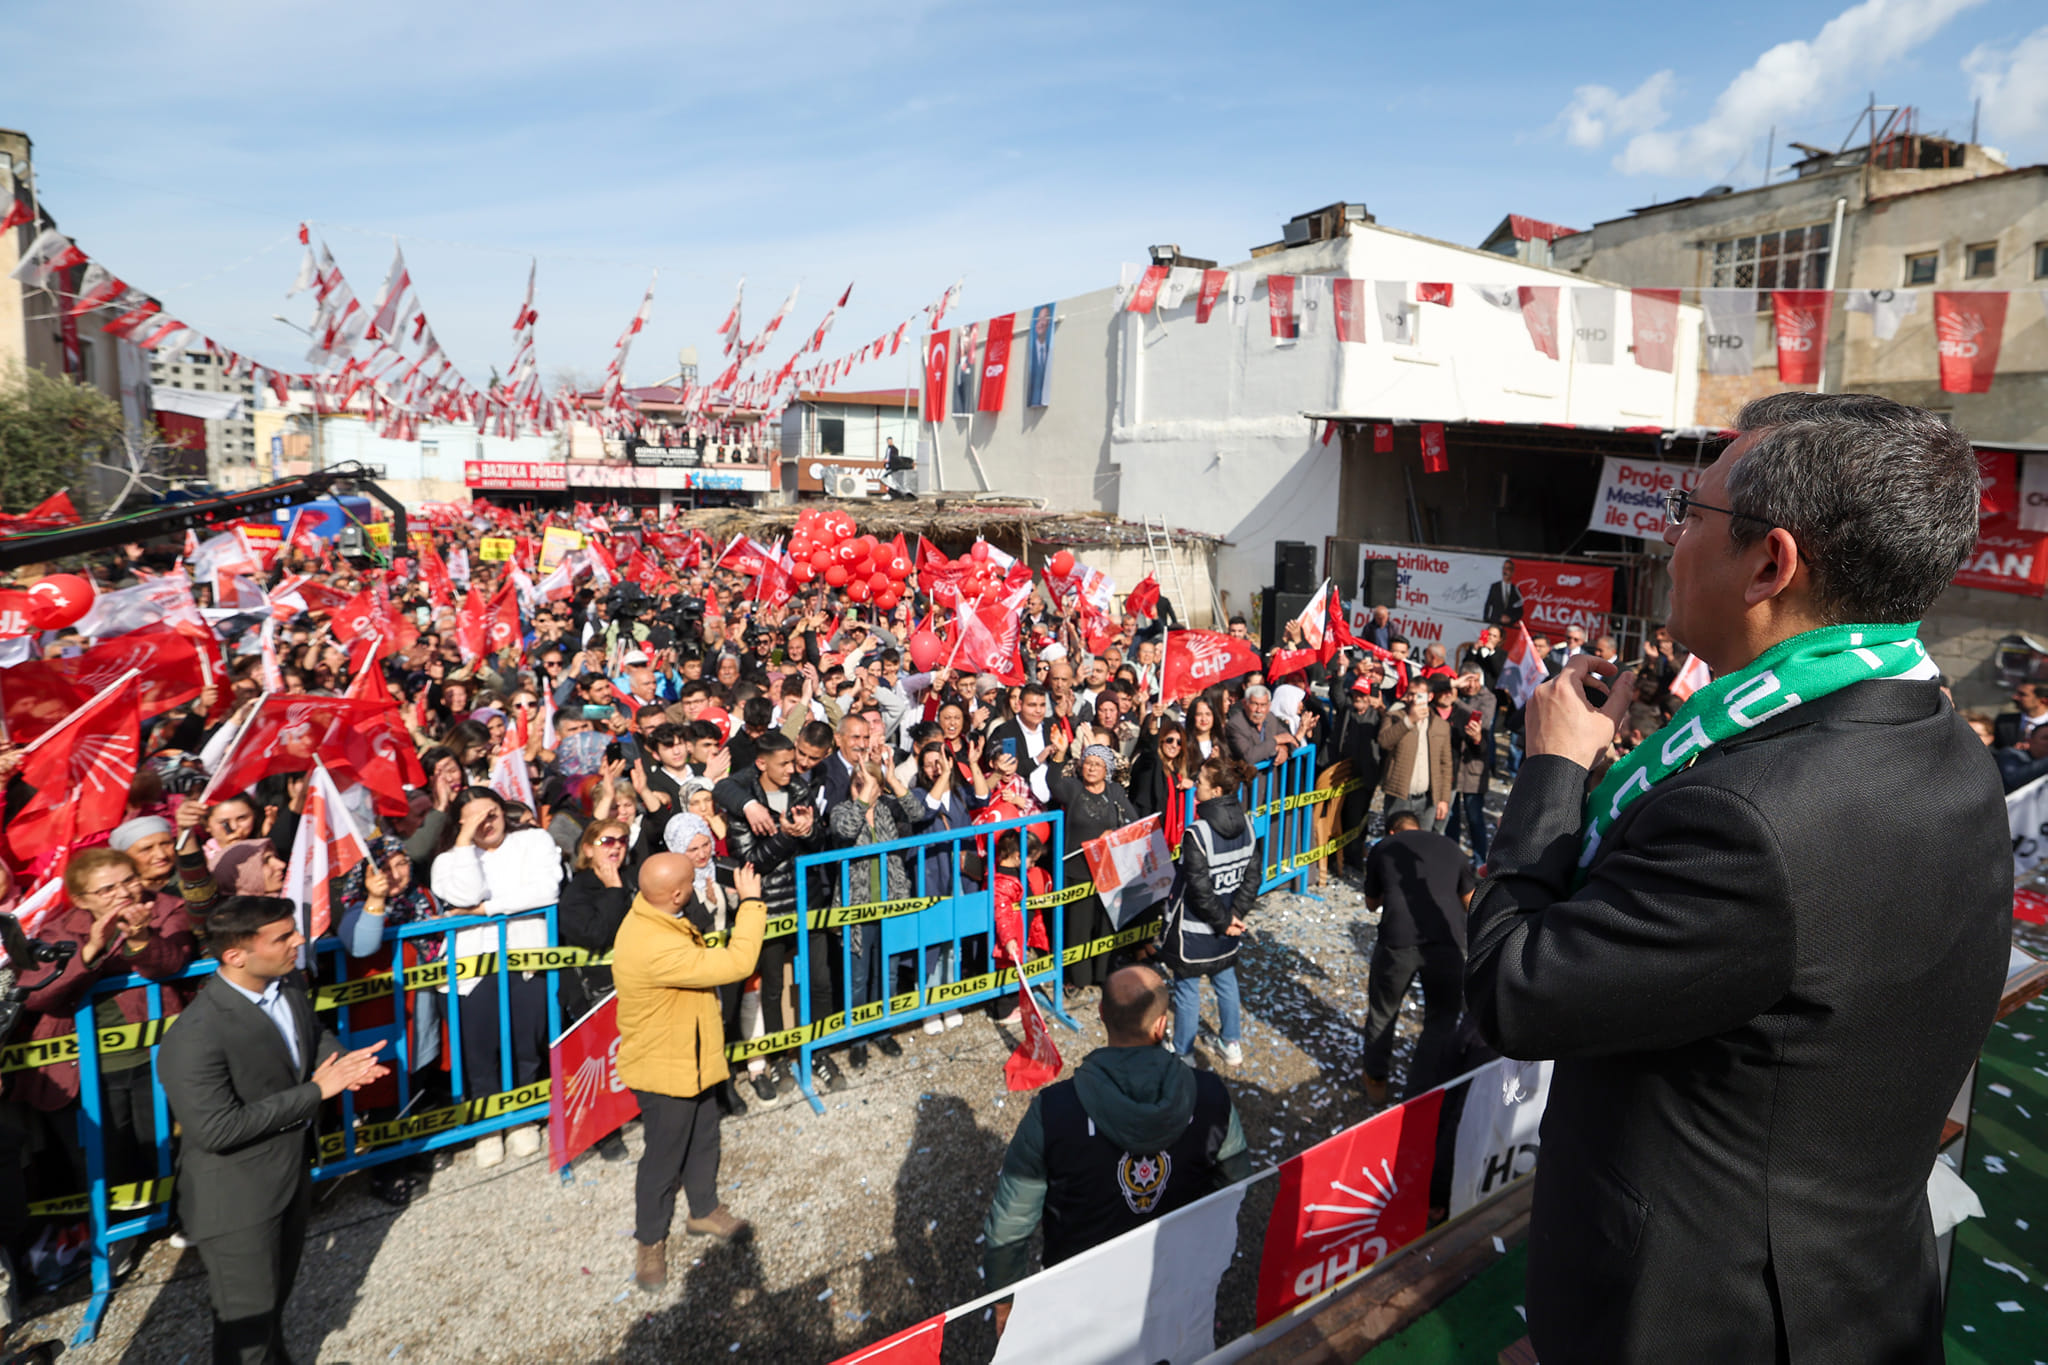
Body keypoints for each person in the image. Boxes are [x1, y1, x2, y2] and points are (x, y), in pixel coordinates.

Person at [1464, 393, 2010, 1361]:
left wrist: (1548, 771)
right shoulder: (1935, 734)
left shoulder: (1746, 825)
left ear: (1770, 562)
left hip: (1698, 1323)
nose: (1670, 541)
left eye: (1690, 513)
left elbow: (1511, 988)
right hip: (1857, 1292)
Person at [157, 895, 389, 1365]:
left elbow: (309, 1033)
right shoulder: (194, 1036)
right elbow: (217, 1129)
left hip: (289, 1175)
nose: (299, 941)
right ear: (235, 955)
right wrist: (317, 1092)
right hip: (238, 1200)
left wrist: (340, 1060)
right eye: (283, 937)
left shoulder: (290, 983)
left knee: (272, 1308)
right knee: (247, 1326)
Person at [981, 964, 1251, 1313]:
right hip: (1177, 1276)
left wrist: (1005, 1301)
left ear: (1101, 1013)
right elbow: (1238, 1183)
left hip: (1082, 1294)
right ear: (1161, 1026)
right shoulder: (1212, 1096)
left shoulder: (1053, 1111)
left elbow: (1009, 1228)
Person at [614, 852, 767, 1291]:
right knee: (662, 1161)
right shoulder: (654, 944)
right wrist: (753, 904)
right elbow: (737, 964)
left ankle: (703, 1210)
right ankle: (650, 1241)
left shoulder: (657, 914)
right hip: (666, 1069)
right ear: (677, 894)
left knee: (704, 1139)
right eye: (691, 878)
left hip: (694, 1057)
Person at [428, 786, 565, 1168]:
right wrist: (463, 842)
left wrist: (487, 908)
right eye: (474, 818)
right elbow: (463, 892)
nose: (485, 824)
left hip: (525, 957)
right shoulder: (447, 860)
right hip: (470, 967)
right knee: (478, 1047)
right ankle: (489, 1124)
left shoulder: (535, 840)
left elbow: (545, 892)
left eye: (491, 813)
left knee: (527, 1037)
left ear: (504, 812)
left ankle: (524, 1116)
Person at [1359, 810, 1474, 1103]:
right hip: (1448, 942)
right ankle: (1420, 1092)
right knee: (1442, 1018)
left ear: (1392, 832)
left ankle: (1376, 1084)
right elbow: (1469, 902)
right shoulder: (1451, 847)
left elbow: (1372, 904)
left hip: (1398, 940)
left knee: (1384, 1011)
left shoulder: (1383, 848)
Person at [1160, 756, 1259, 1066]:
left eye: (1200, 781)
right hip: (1227, 927)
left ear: (1216, 791)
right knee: (1226, 981)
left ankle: (1184, 1051)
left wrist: (1223, 921)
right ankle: (1231, 1043)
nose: (1195, 785)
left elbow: (1200, 890)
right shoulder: (1248, 824)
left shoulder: (1197, 833)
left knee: (1187, 989)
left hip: (1194, 930)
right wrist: (1234, 917)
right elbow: (1252, 877)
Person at [1378, 682, 1451, 833]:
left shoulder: (1441, 725)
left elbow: (1446, 764)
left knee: (1421, 846)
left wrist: (1443, 799)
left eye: (1419, 695)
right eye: (1410, 693)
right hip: (1399, 795)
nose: (1413, 698)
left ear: (1430, 697)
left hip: (1427, 799)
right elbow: (1384, 742)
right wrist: (1408, 721)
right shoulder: (1394, 717)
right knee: (1395, 844)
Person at [1483, 559, 1523, 631]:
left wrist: (1510, 619)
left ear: (1512, 572)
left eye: (1508, 569)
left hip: (1508, 627)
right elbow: (1488, 604)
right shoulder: (1495, 587)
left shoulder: (1515, 590)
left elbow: (1520, 611)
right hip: (1494, 624)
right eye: (1504, 568)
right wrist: (1488, 620)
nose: (1505, 571)